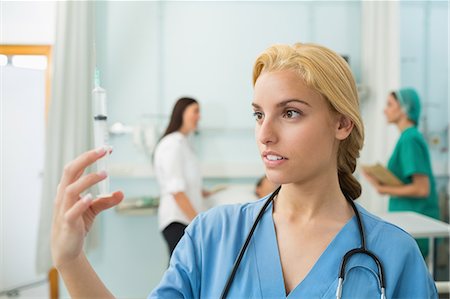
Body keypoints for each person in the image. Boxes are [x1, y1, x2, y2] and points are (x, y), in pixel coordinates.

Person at [51, 43, 437, 298]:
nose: (265, 134)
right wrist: (71, 260)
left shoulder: (393, 255)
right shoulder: (211, 236)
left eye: (290, 113)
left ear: (342, 124)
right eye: (258, 115)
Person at [362, 88, 440, 258]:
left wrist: (383, 190)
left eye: (390, 104)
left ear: (404, 109)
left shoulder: (410, 139)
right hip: (410, 223)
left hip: (418, 225)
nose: (385, 110)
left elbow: (421, 189)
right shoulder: (408, 138)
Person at [153, 97, 208, 257]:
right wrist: (198, 224)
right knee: (180, 277)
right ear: (182, 113)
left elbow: (183, 182)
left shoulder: (183, 144)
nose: (199, 116)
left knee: (182, 276)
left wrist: (201, 191)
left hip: (184, 221)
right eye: (195, 111)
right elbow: (176, 190)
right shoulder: (173, 144)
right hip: (177, 220)